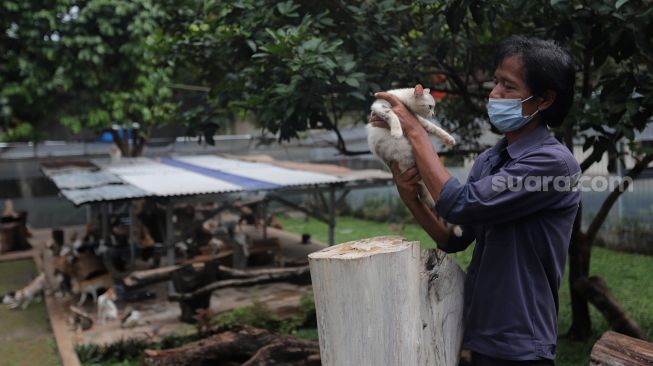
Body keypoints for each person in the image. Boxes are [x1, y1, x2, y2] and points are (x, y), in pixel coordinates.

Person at [371, 36, 580, 365]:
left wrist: (414, 131)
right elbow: (454, 238)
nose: (494, 93)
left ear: (544, 99)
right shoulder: (491, 160)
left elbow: (459, 203)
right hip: (481, 332)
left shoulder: (553, 164)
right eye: (495, 82)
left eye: (508, 86)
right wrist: (409, 194)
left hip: (521, 340)